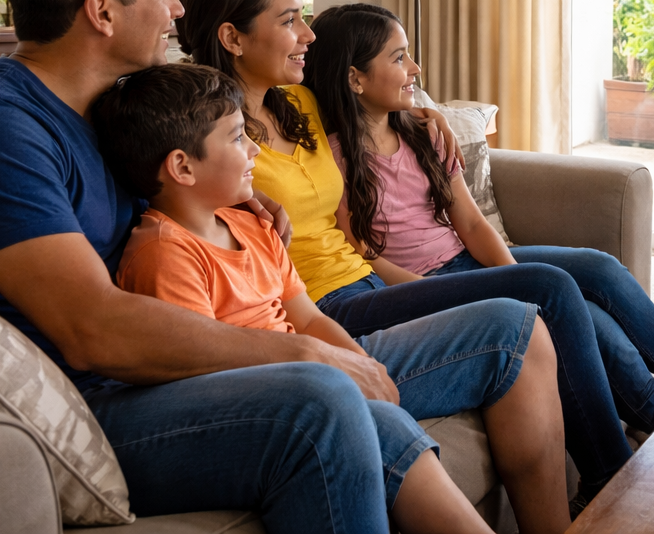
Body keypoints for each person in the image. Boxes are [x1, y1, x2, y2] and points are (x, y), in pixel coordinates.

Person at [0, 0, 560, 534]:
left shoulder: (114, 107)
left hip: (180, 361)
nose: (179, 7)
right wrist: (300, 350)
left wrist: (230, 198)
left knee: (510, 327)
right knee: (321, 400)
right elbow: (92, 330)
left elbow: (169, 189)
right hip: (92, 407)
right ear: (101, 11)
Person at [175, 0, 639, 509]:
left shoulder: (298, 100)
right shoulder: (205, 136)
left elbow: (377, 86)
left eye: (304, 16)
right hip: (323, 302)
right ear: (232, 36)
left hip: (367, 281)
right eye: (289, 20)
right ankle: (615, 481)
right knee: (545, 288)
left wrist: (428, 111)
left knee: (578, 285)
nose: (308, 35)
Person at [93, 63, 569, 534]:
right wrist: (338, 378)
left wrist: (363, 364)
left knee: (515, 325)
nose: (256, 150)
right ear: (181, 166)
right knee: (372, 419)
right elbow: (202, 377)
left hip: (312, 364)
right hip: (275, 392)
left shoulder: (251, 222)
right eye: (238, 138)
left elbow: (306, 317)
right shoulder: (164, 254)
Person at [304, 2, 654, 433]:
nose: (415, 67)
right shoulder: (334, 160)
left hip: (466, 261)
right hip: (423, 287)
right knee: (589, 315)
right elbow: (366, 258)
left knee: (599, 268)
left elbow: (471, 225)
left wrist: (514, 281)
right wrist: (448, 294)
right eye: (399, 58)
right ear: (354, 77)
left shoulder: (425, 133)